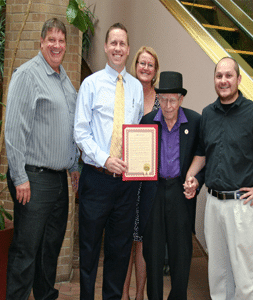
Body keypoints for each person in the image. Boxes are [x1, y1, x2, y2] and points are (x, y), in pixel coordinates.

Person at [5, 18, 79, 300]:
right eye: (52, 40)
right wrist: (20, 177)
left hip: (59, 181)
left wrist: (73, 165)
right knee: (27, 249)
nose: (57, 45)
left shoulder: (63, 78)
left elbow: (69, 125)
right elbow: (13, 130)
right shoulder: (27, 75)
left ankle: (45, 295)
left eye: (61, 41)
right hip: (33, 179)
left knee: (50, 247)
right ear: (41, 42)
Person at [74, 23, 144, 299]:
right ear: (105, 47)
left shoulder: (136, 88)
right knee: (89, 250)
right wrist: (105, 160)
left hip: (126, 185)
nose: (117, 48)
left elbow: (138, 133)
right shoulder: (90, 84)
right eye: (113, 43)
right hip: (96, 179)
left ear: (128, 50)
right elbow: (80, 132)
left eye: (122, 44)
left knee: (119, 250)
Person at [184, 57, 253, 299]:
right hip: (212, 204)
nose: (223, 81)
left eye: (228, 75)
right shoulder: (207, 114)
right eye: (219, 76)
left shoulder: (251, 112)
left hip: (242, 206)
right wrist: (190, 177)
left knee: (245, 277)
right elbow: (203, 153)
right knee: (218, 272)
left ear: (238, 79)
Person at [140, 71, 204, 299]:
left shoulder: (195, 121)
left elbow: (203, 155)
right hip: (154, 193)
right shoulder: (147, 122)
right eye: (163, 99)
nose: (167, 106)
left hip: (180, 193)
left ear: (181, 99)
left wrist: (196, 180)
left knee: (181, 254)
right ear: (158, 98)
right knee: (153, 253)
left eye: (172, 100)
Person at [122, 46, 160, 300]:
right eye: (142, 63)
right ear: (135, 65)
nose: (145, 68)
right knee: (125, 238)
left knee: (143, 240)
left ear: (155, 71)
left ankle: (139, 295)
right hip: (125, 178)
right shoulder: (124, 93)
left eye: (150, 64)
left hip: (151, 181)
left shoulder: (164, 100)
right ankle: (122, 294)